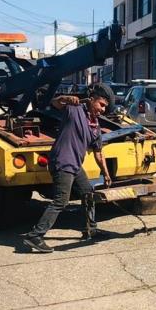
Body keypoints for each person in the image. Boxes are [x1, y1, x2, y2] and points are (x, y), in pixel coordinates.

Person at [22, 86, 112, 253]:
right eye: (101, 104)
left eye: (105, 107)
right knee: (60, 201)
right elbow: (55, 102)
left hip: (75, 165)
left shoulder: (95, 127)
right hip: (62, 162)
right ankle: (35, 236)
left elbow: (99, 153)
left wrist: (106, 174)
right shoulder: (74, 109)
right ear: (91, 99)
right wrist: (65, 97)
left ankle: (91, 229)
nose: (103, 109)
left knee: (88, 193)